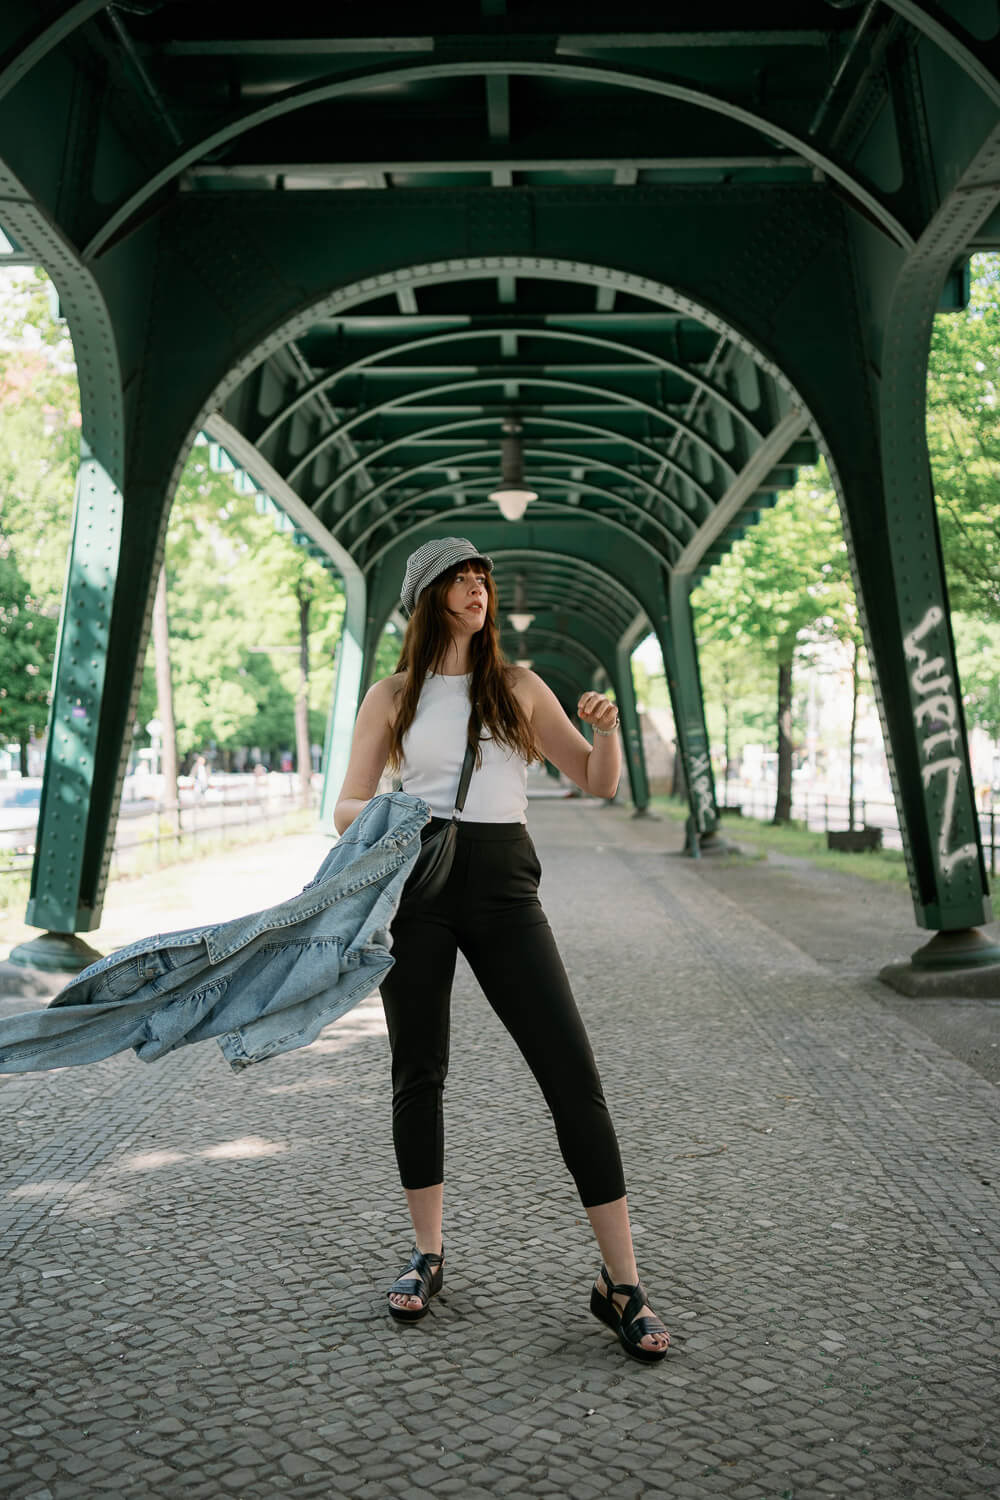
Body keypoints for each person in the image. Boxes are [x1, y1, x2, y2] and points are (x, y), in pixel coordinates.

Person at [334, 537, 669, 1362]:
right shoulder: (392, 695)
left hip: (505, 885)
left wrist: (609, 731)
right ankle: (427, 1253)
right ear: (428, 598)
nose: (478, 589)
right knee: (419, 1069)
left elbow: (596, 782)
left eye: (483, 578)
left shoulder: (517, 687)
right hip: (419, 883)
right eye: (460, 580)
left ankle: (621, 1284)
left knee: (572, 1076)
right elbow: (344, 805)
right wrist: (389, 824)